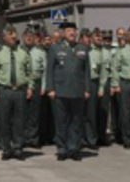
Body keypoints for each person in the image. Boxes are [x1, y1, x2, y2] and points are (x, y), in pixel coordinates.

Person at [46, 22, 90, 161]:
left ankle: (74, 148)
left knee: (76, 121)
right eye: (69, 30)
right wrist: (50, 88)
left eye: (73, 30)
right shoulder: (55, 48)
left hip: (77, 90)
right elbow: (49, 71)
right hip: (60, 90)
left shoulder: (82, 48)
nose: (72, 33)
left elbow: (86, 71)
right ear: (64, 33)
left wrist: (87, 89)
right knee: (61, 121)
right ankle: (62, 148)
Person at [0, 27, 33, 161]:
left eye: (15, 34)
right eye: (10, 34)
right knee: (4, 121)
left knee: (19, 121)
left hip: (20, 90)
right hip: (4, 90)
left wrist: (30, 87)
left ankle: (18, 148)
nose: (13, 36)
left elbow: (29, 72)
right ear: (4, 37)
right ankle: (6, 149)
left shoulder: (24, 52)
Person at [80, 29, 108, 150]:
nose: (87, 39)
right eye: (85, 37)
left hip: (92, 82)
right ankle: (80, 139)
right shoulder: (79, 51)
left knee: (91, 113)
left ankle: (91, 139)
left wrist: (101, 87)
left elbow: (103, 72)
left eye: (88, 36)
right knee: (79, 113)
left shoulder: (97, 52)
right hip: (79, 83)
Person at [23, 29, 45, 148]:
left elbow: (45, 70)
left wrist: (44, 86)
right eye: (27, 36)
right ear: (23, 37)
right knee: (22, 112)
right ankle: (24, 138)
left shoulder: (40, 52)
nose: (29, 38)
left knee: (35, 113)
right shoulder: (19, 51)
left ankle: (33, 138)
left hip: (37, 83)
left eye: (31, 36)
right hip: (23, 84)